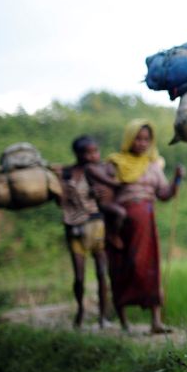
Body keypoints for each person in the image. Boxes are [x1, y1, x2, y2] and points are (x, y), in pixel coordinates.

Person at [105, 119, 184, 334]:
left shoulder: (153, 166)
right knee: (122, 267)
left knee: (149, 267)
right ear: (129, 138)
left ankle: (155, 321)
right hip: (121, 224)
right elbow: (106, 198)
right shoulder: (115, 163)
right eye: (138, 138)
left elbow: (164, 194)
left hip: (147, 223)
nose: (142, 143)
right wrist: (112, 229)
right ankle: (123, 322)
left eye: (146, 139)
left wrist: (176, 180)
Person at [56, 135, 110, 328]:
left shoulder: (103, 172)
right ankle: (80, 310)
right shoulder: (66, 174)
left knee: (102, 273)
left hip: (98, 226)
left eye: (94, 152)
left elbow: (111, 195)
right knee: (79, 276)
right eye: (87, 152)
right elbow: (59, 199)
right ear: (78, 154)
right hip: (75, 228)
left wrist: (100, 194)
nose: (91, 156)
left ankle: (103, 317)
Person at [85, 159, 127, 250]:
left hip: (113, 201)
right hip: (104, 203)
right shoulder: (91, 168)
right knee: (121, 212)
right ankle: (113, 235)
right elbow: (112, 183)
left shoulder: (109, 170)